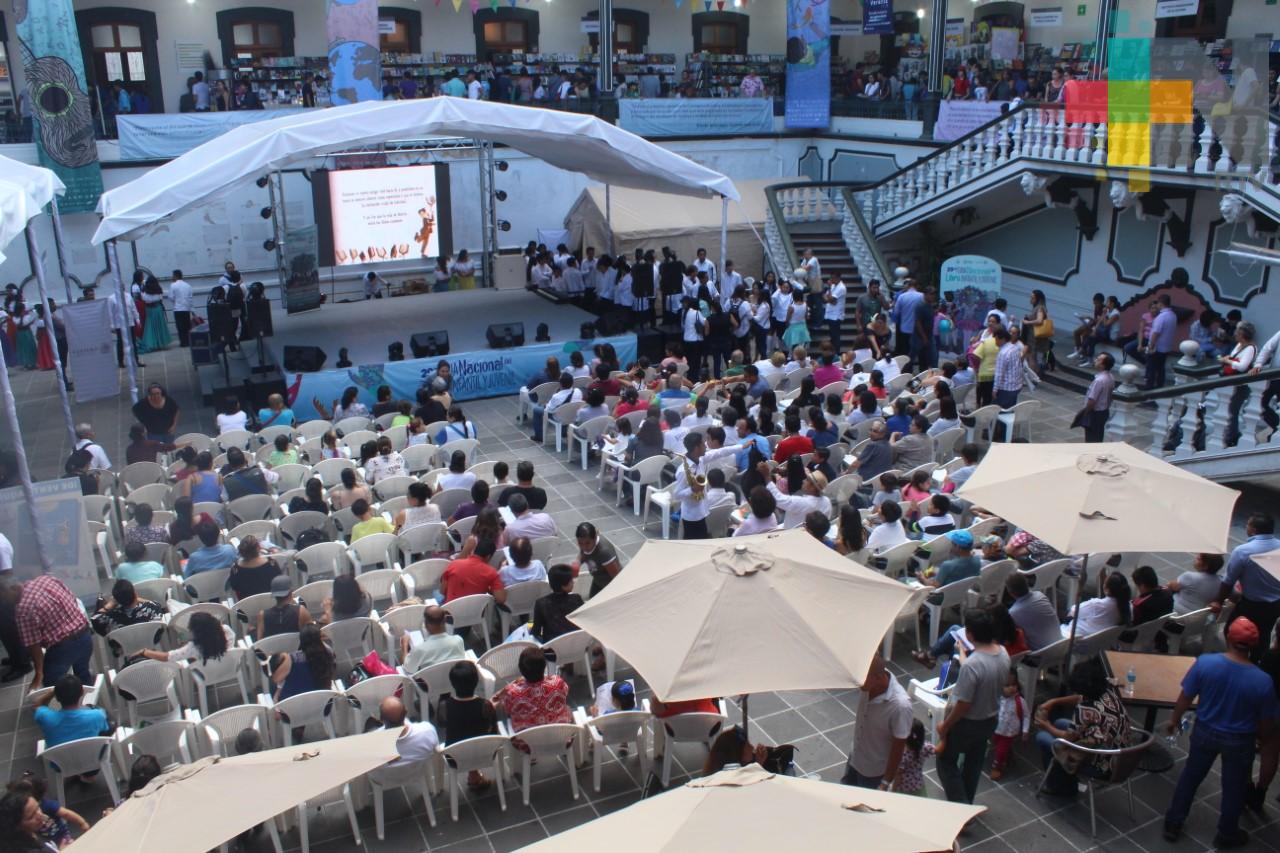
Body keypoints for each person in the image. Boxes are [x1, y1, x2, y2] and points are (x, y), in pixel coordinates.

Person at [1164, 617, 1278, 846]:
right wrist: (1264, 740)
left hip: (1205, 732)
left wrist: (1174, 720)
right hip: (1239, 741)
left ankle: (1173, 824)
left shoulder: (1205, 663)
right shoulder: (1263, 681)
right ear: (1254, 644)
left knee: (1190, 778)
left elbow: (1186, 695)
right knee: (1234, 788)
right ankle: (1226, 833)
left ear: (1228, 637)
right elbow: (1266, 722)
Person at [935, 609, 1009, 805]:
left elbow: (963, 704)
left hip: (968, 723)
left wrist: (946, 726)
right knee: (973, 764)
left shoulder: (972, 666)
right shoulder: (1003, 653)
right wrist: (961, 651)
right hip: (990, 718)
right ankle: (967, 802)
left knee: (946, 761)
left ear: (970, 635)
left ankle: (961, 804)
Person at [1033, 658, 1132, 795]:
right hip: (1122, 757)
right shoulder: (1109, 693)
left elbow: (1068, 737)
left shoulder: (1085, 710)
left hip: (1102, 765)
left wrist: (1045, 725)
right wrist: (1054, 702)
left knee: (1043, 737)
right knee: (1061, 722)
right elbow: (1079, 698)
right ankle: (1062, 779)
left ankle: (1057, 786)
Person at [0, 574, 92, 688]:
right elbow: (73, 599)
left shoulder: (22, 609)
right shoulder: (47, 579)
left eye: (3, 597)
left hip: (64, 647)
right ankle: (89, 702)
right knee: (83, 673)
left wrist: (39, 673)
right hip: (85, 635)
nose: (4, 602)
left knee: (51, 682)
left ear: (13, 589)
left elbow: (33, 646)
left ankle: (58, 704)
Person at [841, 654, 913, 789]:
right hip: (855, 758)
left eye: (862, 679)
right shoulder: (869, 683)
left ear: (878, 678)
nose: (858, 682)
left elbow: (899, 748)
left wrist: (886, 782)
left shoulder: (900, 706)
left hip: (874, 773)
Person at [1218, 513, 1280, 662]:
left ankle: (1236, 660)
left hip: (1252, 605)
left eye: (1247, 525)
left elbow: (1228, 581)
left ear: (1253, 530)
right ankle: (1256, 661)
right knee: (1264, 633)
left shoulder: (1243, 551)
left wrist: (1218, 601)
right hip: (1275, 604)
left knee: (1232, 630)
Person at [441, 661, 499, 788]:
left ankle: (474, 775)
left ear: (452, 683)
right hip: (486, 753)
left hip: (455, 757)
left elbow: (441, 723)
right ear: (477, 681)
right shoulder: (485, 705)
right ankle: (474, 775)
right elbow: (494, 728)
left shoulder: (445, 706)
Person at [493, 646, 571, 733]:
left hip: (526, 745)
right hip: (561, 738)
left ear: (521, 669)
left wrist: (513, 684)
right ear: (544, 666)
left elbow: (504, 708)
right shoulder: (557, 683)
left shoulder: (512, 693)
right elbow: (565, 692)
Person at [33, 674, 110, 747]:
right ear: (82, 692)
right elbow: (105, 729)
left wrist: (52, 693)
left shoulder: (45, 717)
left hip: (60, 760)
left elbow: (37, 705)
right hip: (91, 757)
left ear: (56, 697)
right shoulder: (97, 715)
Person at [271, 623, 336, 702]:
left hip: (291, 707)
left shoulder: (292, 659)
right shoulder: (329, 654)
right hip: (320, 703)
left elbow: (276, 679)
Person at [141, 611, 233, 665]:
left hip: (207, 674)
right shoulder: (227, 631)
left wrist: (145, 652)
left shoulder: (193, 648)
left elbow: (166, 657)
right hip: (228, 666)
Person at [1062, 569, 1131, 637]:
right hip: (1097, 641)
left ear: (1107, 590)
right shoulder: (1126, 607)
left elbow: (1073, 612)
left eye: (1104, 583)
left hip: (1070, 636)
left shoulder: (1096, 605)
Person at [90, 578, 164, 639]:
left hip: (125, 649)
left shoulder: (112, 617)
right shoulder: (151, 608)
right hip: (151, 640)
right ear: (135, 593)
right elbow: (157, 605)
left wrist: (110, 604)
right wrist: (137, 598)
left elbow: (94, 619)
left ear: (116, 600)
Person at [440, 538, 507, 605]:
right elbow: (501, 599)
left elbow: (442, 591)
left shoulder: (454, 564)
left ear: (474, 551)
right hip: (475, 612)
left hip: (450, 610)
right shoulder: (492, 573)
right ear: (488, 556)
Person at [1005, 573, 1061, 651]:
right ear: (1027, 585)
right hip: (1061, 646)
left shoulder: (1012, 613)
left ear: (1010, 592)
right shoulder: (1041, 596)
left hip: (1040, 655)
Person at [403, 604, 466, 672]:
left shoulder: (419, 650)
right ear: (444, 620)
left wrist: (405, 645)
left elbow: (409, 669)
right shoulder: (458, 640)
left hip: (430, 682)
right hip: (454, 679)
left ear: (426, 624)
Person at [532, 564, 583, 643]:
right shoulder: (576, 599)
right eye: (571, 581)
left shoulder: (541, 603)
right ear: (563, 586)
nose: (573, 582)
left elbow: (536, 631)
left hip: (553, 647)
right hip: (579, 642)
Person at [257, 575, 313, 639]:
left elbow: (260, 642)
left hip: (272, 649)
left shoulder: (262, 615)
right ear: (291, 591)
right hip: (297, 649)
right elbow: (313, 635)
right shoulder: (301, 611)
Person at [227, 535, 282, 600]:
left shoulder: (235, 569)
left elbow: (234, 587)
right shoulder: (272, 564)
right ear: (259, 548)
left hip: (247, 607)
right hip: (271, 603)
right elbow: (279, 582)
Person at [575, 522, 621, 596]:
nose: (584, 547)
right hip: (598, 580)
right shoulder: (586, 544)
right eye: (580, 543)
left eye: (587, 543)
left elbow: (616, 577)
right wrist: (577, 562)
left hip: (608, 585)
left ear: (595, 538)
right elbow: (583, 553)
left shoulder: (604, 552)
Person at [1079, 353, 1115, 442]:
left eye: (1098, 360)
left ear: (1103, 365)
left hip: (1095, 413)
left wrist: (1085, 412)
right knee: (1098, 435)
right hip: (1104, 412)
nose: (1095, 360)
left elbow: (1092, 400)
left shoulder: (1099, 380)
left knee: (1091, 438)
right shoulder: (1110, 377)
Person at [1143, 294, 1178, 390]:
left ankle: (1149, 387)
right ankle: (1159, 385)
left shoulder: (1162, 317)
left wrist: (1151, 346)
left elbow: (1156, 332)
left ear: (1161, 303)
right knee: (1160, 368)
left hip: (1157, 347)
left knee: (1151, 369)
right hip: (1166, 347)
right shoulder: (1173, 315)